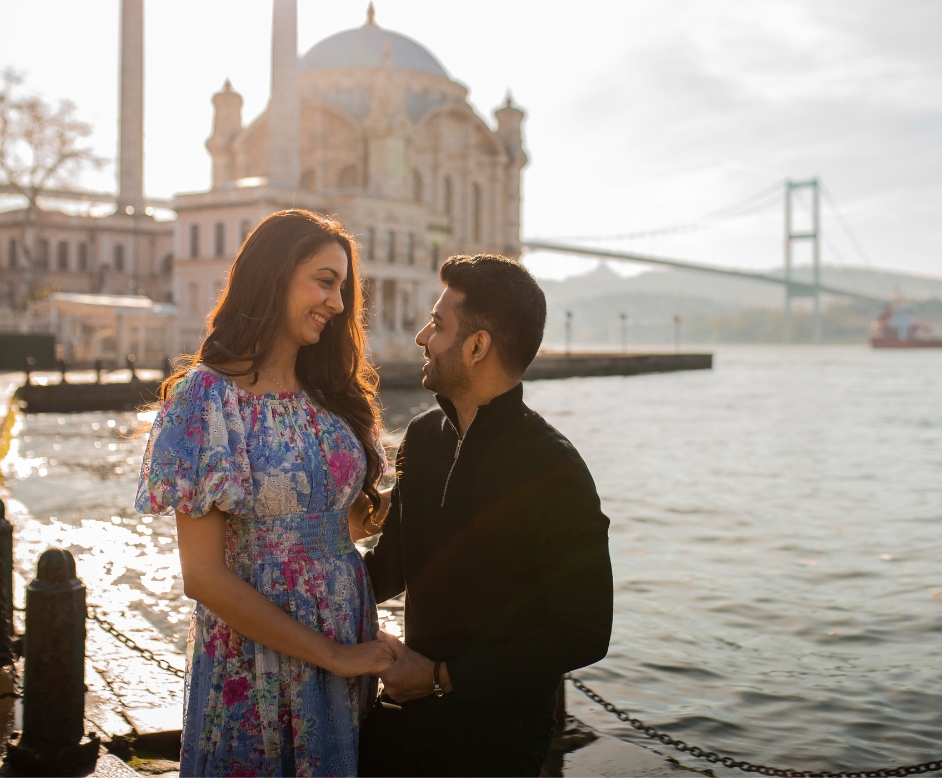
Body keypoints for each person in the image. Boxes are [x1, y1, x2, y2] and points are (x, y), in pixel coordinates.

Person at [135, 209, 395, 777]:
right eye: (324, 281)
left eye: (344, 288)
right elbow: (202, 575)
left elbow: (336, 528)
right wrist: (336, 654)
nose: (338, 302)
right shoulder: (207, 400)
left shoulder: (331, 397)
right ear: (274, 274)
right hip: (258, 659)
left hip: (345, 647)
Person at [359, 254, 614, 777]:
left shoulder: (554, 468)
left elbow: (584, 631)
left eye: (438, 324)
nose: (421, 336)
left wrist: (439, 676)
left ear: (476, 347)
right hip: (405, 719)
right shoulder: (423, 437)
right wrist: (284, 589)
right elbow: (389, 569)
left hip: (496, 744)